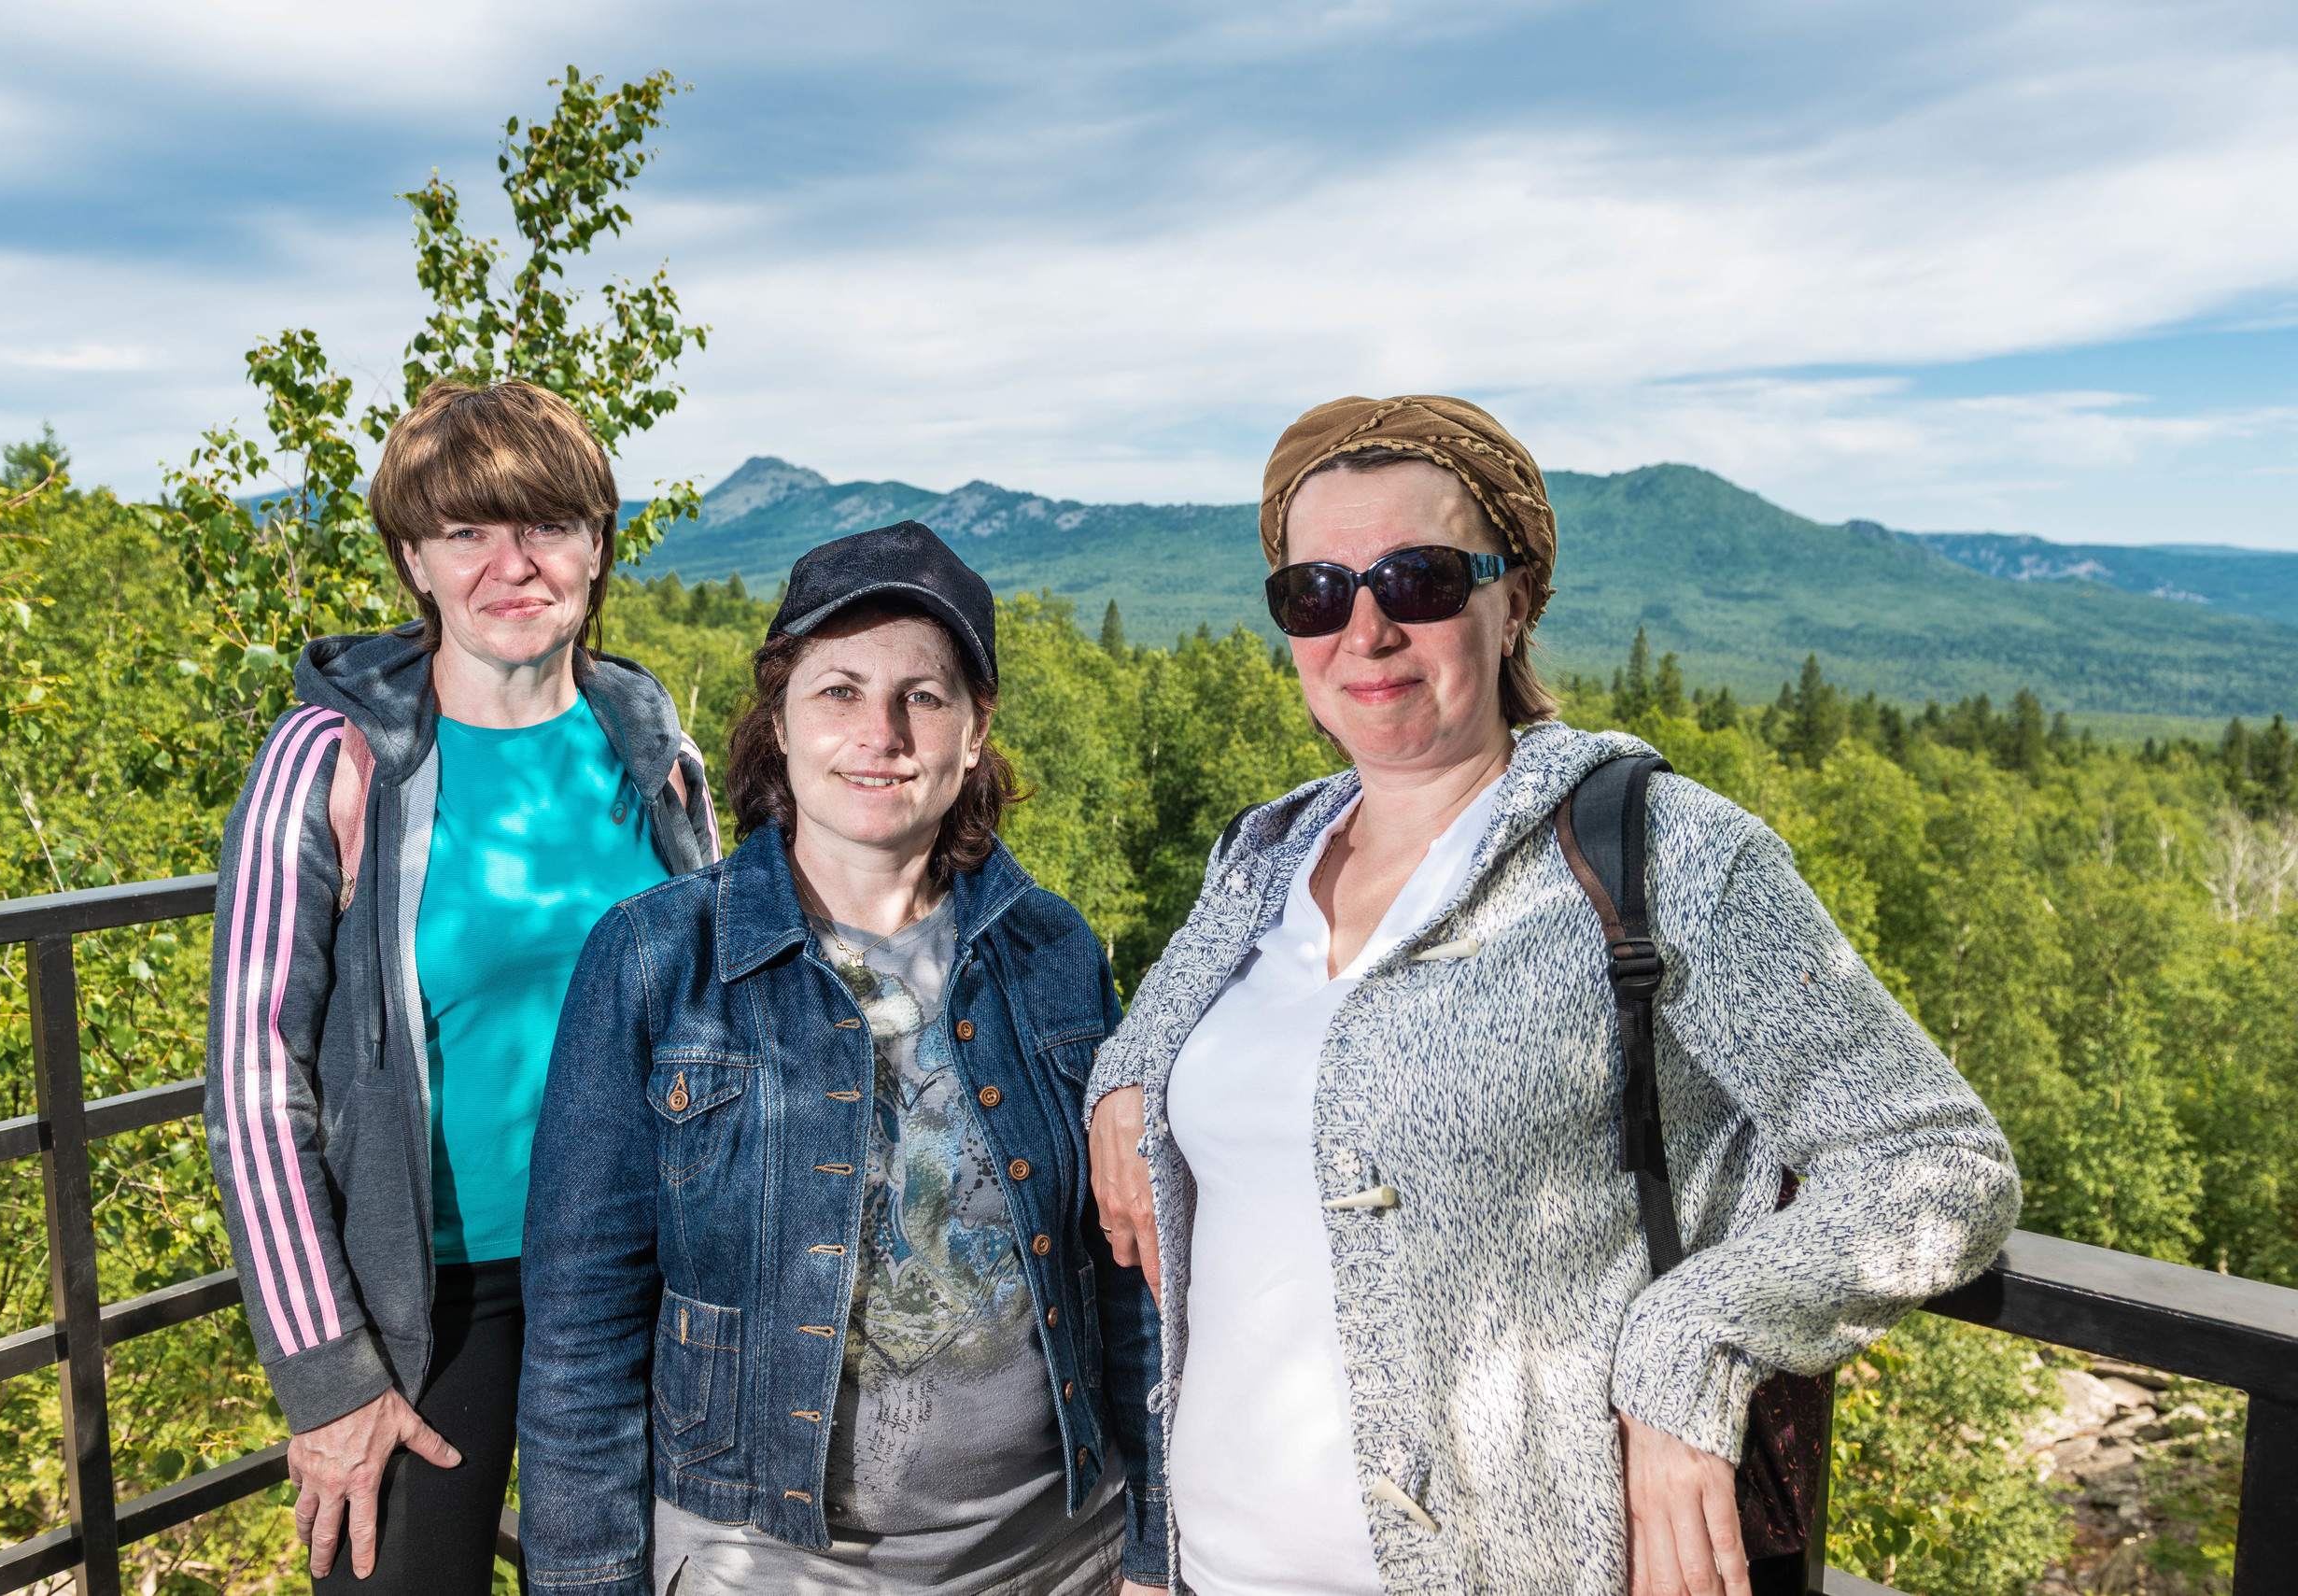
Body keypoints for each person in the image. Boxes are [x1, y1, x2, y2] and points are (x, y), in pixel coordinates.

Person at [1084, 395, 2023, 1596]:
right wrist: (1130, 1073)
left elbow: (1941, 1163)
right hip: (1212, 1567)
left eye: (1416, 577)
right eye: (1315, 591)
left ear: (1513, 594)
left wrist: (1693, 1343)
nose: (1363, 629)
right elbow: (1173, 1028)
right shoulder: (1259, 859)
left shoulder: (1665, 852)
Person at [516, 521, 1168, 1596]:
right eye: (838, 691)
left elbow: (1127, 1272)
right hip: (761, 1562)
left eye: (924, 694)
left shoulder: (1050, 951)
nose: (883, 731)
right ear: (778, 720)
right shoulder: (656, 960)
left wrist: (1153, 1548)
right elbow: (581, 1334)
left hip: (1059, 1553)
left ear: (974, 728)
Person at [202, 379, 721, 1595]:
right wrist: (328, 1374)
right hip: (429, 1303)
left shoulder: (649, 742)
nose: (513, 563)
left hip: (640, 1277)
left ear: (598, 543)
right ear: (412, 560)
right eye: (466, 533)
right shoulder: (330, 763)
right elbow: (251, 1084)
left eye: (547, 524)